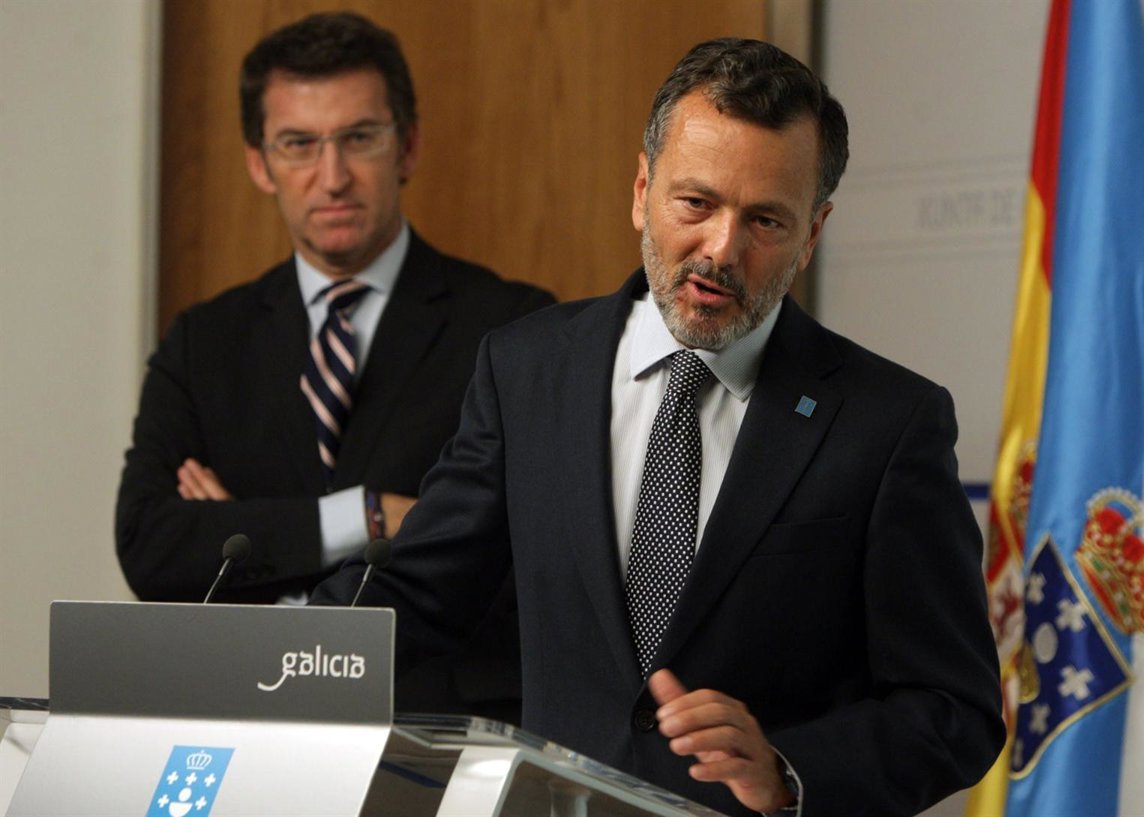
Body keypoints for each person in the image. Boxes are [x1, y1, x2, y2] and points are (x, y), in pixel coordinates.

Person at [312, 37, 1003, 815]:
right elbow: (421, 591)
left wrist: (786, 769)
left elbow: (955, 710)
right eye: (696, 203)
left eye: (765, 220)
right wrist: (255, 656)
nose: (721, 249)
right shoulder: (527, 370)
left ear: (813, 232)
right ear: (642, 190)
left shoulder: (888, 423)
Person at [116, 12, 552, 721]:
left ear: (407, 146)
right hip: (244, 718)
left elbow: (524, 563)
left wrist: (246, 532)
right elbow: (150, 545)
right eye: (299, 144)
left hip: (436, 730)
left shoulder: (514, 328)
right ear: (260, 163)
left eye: (359, 138)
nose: (333, 177)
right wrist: (369, 515)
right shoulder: (205, 341)